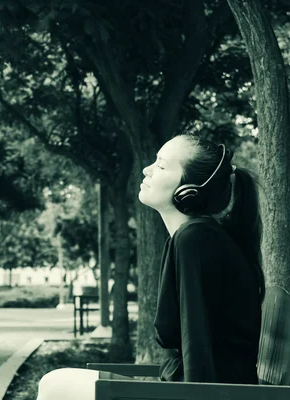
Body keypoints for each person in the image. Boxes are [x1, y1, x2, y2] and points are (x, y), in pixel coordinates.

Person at [36, 134, 264, 399]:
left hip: (204, 392)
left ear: (190, 191)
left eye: (162, 165)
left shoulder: (196, 239)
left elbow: (197, 343)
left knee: (54, 385)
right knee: (54, 382)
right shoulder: (192, 236)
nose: (147, 169)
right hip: (184, 384)